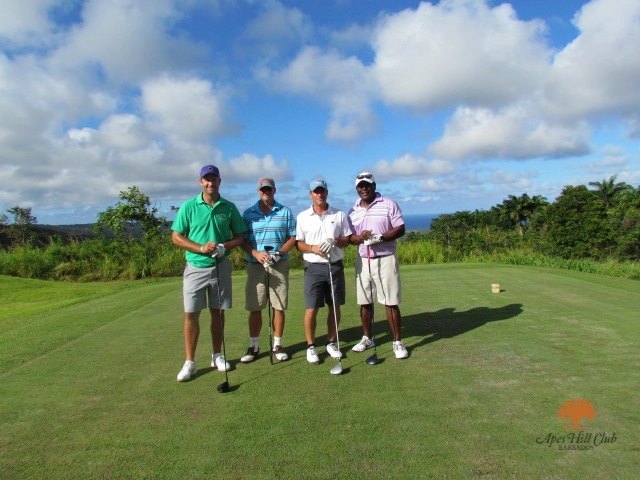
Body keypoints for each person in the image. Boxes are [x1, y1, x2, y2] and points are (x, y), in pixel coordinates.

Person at [171, 165, 247, 382]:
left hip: (220, 266)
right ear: (201, 182)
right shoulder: (189, 206)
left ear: (219, 181)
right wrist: (201, 248)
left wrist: (225, 246)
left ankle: (217, 355)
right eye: (206, 179)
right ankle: (190, 362)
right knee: (191, 314)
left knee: (218, 312)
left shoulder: (229, 207)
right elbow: (176, 237)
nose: (210, 183)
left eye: (214, 179)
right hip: (195, 267)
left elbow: (240, 236)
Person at [348, 171, 409, 359]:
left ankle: (397, 342)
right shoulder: (353, 210)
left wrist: (381, 238)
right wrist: (360, 237)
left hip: (386, 258)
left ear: (374, 186)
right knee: (365, 301)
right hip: (363, 260)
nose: (364, 188)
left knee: (390, 301)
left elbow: (400, 228)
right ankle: (367, 338)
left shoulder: (389, 204)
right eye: (361, 186)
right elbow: (350, 237)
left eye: (367, 185)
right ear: (357, 189)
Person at [239, 177, 297, 363]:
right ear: (258, 191)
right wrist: (255, 253)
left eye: (269, 189)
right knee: (255, 306)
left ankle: (277, 345)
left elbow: (293, 237)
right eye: (263, 189)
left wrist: (279, 253)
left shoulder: (285, 212)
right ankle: (254, 347)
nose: (266, 192)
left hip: (279, 264)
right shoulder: (248, 214)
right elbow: (242, 239)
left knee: (278, 306)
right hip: (256, 265)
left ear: (274, 190)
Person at [296, 178, 352, 364]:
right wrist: (313, 248)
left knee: (334, 307)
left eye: (322, 191)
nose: (319, 194)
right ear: (310, 194)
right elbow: (299, 244)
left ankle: (331, 342)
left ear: (327, 192)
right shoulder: (303, 216)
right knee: (311, 308)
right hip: (313, 267)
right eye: (316, 191)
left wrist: (334, 240)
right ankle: (311, 346)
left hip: (335, 266)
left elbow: (347, 240)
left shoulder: (339, 214)